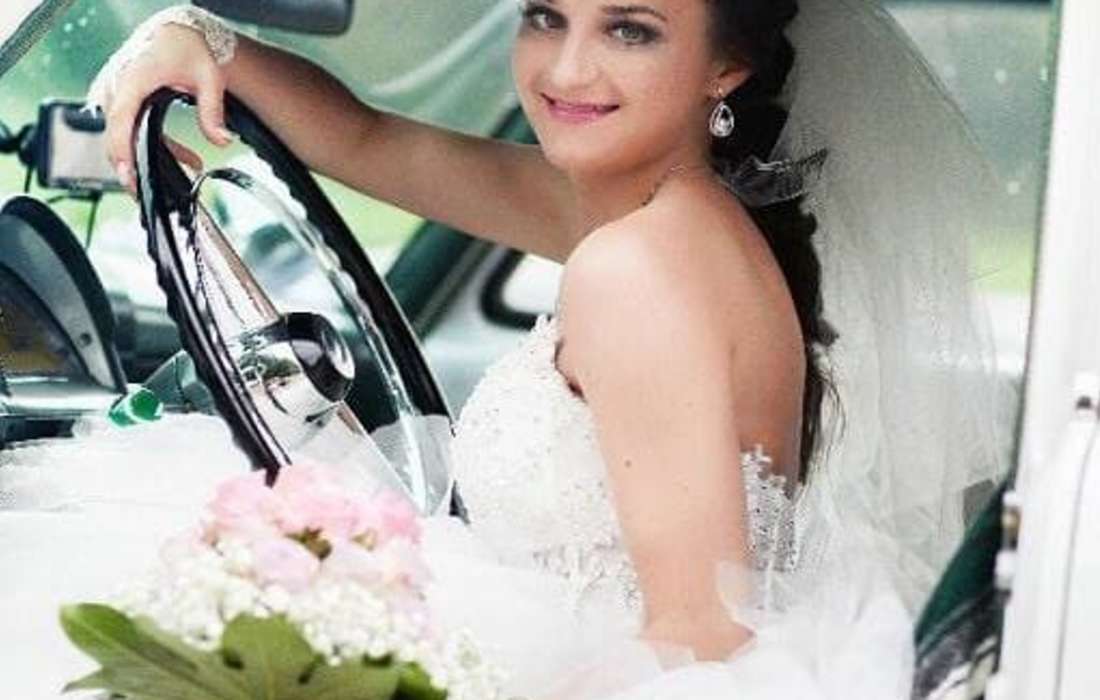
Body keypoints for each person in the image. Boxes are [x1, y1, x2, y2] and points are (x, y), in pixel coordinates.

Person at [85, 0, 1006, 697]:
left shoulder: (637, 267)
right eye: (544, 16)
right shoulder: (669, 218)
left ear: (725, 66)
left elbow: (699, 639)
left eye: (630, 30)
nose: (566, 68)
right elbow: (373, 139)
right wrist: (198, 40)